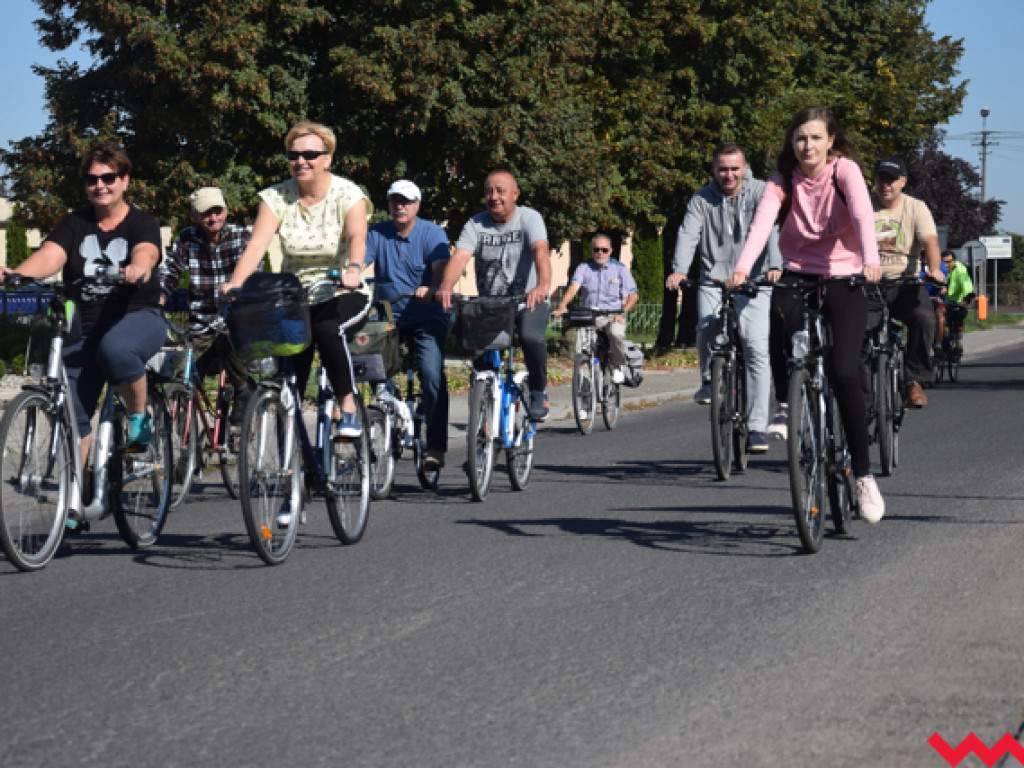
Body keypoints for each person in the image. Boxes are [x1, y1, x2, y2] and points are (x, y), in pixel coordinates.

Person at [730, 106, 886, 523]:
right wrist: (743, 268)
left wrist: (870, 260)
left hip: (846, 273)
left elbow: (861, 214)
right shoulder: (781, 182)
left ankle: (864, 476)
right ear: (792, 143)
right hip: (799, 271)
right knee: (777, 318)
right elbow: (762, 226)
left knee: (845, 371)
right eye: (800, 138)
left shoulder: (845, 172)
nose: (807, 145)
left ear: (830, 141)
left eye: (816, 137)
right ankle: (786, 402)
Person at [0, 141, 166, 462]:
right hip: (84, 326)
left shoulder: (141, 222)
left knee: (116, 349)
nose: (100, 186)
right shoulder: (74, 223)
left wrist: (138, 267)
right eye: (92, 180)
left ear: (125, 180)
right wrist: (16, 275)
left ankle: (138, 417)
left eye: (108, 178)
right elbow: (50, 255)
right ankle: (76, 502)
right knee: (71, 414)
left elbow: (146, 251)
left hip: (136, 316)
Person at [222, 121, 373, 443]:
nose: (301, 161)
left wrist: (354, 268)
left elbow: (358, 235)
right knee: (290, 370)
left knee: (327, 329)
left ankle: (348, 406)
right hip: (294, 296)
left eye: (310, 154)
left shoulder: (348, 194)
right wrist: (235, 284)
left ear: (327, 159)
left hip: (342, 289)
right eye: (294, 155)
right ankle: (294, 460)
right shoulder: (276, 197)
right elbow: (257, 245)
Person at [665, 141, 782, 453]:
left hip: (755, 279)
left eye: (734, 169)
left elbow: (772, 228)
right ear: (713, 169)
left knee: (756, 348)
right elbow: (688, 234)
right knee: (705, 325)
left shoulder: (761, 192)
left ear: (743, 168)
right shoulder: (702, 199)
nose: (728, 175)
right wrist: (679, 270)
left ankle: (756, 427)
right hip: (714, 278)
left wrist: (774, 264)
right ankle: (708, 378)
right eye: (722, 169)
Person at [436, 169, 552, 422]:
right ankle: (485, 412)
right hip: (491, 303)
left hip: (528, 300)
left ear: (515, 194)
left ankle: (537, 391)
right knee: (479, 354)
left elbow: (541, 251)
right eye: (489, 191)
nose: (494, 196)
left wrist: (542, 286)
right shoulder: (475, 224)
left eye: (501, 191)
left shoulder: (529, 218)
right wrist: (446, 286)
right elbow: (460, 257)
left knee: (531, 337)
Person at [364, 179, 451, 472]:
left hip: (426, 315)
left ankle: (436, 446)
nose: (400, 206)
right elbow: (359, 261)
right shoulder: (377, 232)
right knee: (366, 360)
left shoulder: (432, 233)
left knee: (430, 374)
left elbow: (441, 270)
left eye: (406, 201)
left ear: (417, 205)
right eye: (394, 201)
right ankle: (386, 402)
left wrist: (432, 287)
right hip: (389, 317)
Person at [162, 186, 255, 424]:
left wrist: (237, 289)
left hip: (233, 320)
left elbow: (255, 273)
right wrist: (158, 297)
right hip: (200, 322)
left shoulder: (241, 237)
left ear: (226, 210)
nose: (213, 218)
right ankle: (188, 439)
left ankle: (244, 393)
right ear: (194, 216)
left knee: (232, 346)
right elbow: (170, 271)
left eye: (217, 211)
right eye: (205, 213)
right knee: (183, 377)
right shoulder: (186, 238)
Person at [870, 154, 944, 408]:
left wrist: (934, 268)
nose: (886, 185)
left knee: (924, 319)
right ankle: (862, 393)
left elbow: (930, 241)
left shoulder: (916, 207)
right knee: (853, 328)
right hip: (869, 282)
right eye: (881, 179)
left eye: (892, 180)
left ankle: (914, 380)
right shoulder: (863, 206)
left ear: (903, 181)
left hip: (905, 281)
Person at [552, 233, 639, 384]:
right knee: (581, 343)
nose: (600, 253)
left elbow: (633, 296)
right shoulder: (584, 268)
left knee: (616, 333)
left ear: (610, 251)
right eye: (596, 249)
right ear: (592, 250)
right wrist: (562, 305)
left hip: (613, 314)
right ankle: (584, 382)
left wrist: (622, 313)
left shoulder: (620, 269)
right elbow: (574, 287)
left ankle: (618, 365)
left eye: (604, 250)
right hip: (590, 315)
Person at [939, 250, 975, 353]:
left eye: (949, 262)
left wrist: (967, 297)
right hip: (943, 301)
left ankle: (959, 342)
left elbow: (966, 284)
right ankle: (942, 340)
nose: (947, 265)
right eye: (944, 262)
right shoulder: (939, 270)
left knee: (959, 318)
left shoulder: (960, 270)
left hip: (957, 302)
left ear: (954, 261)